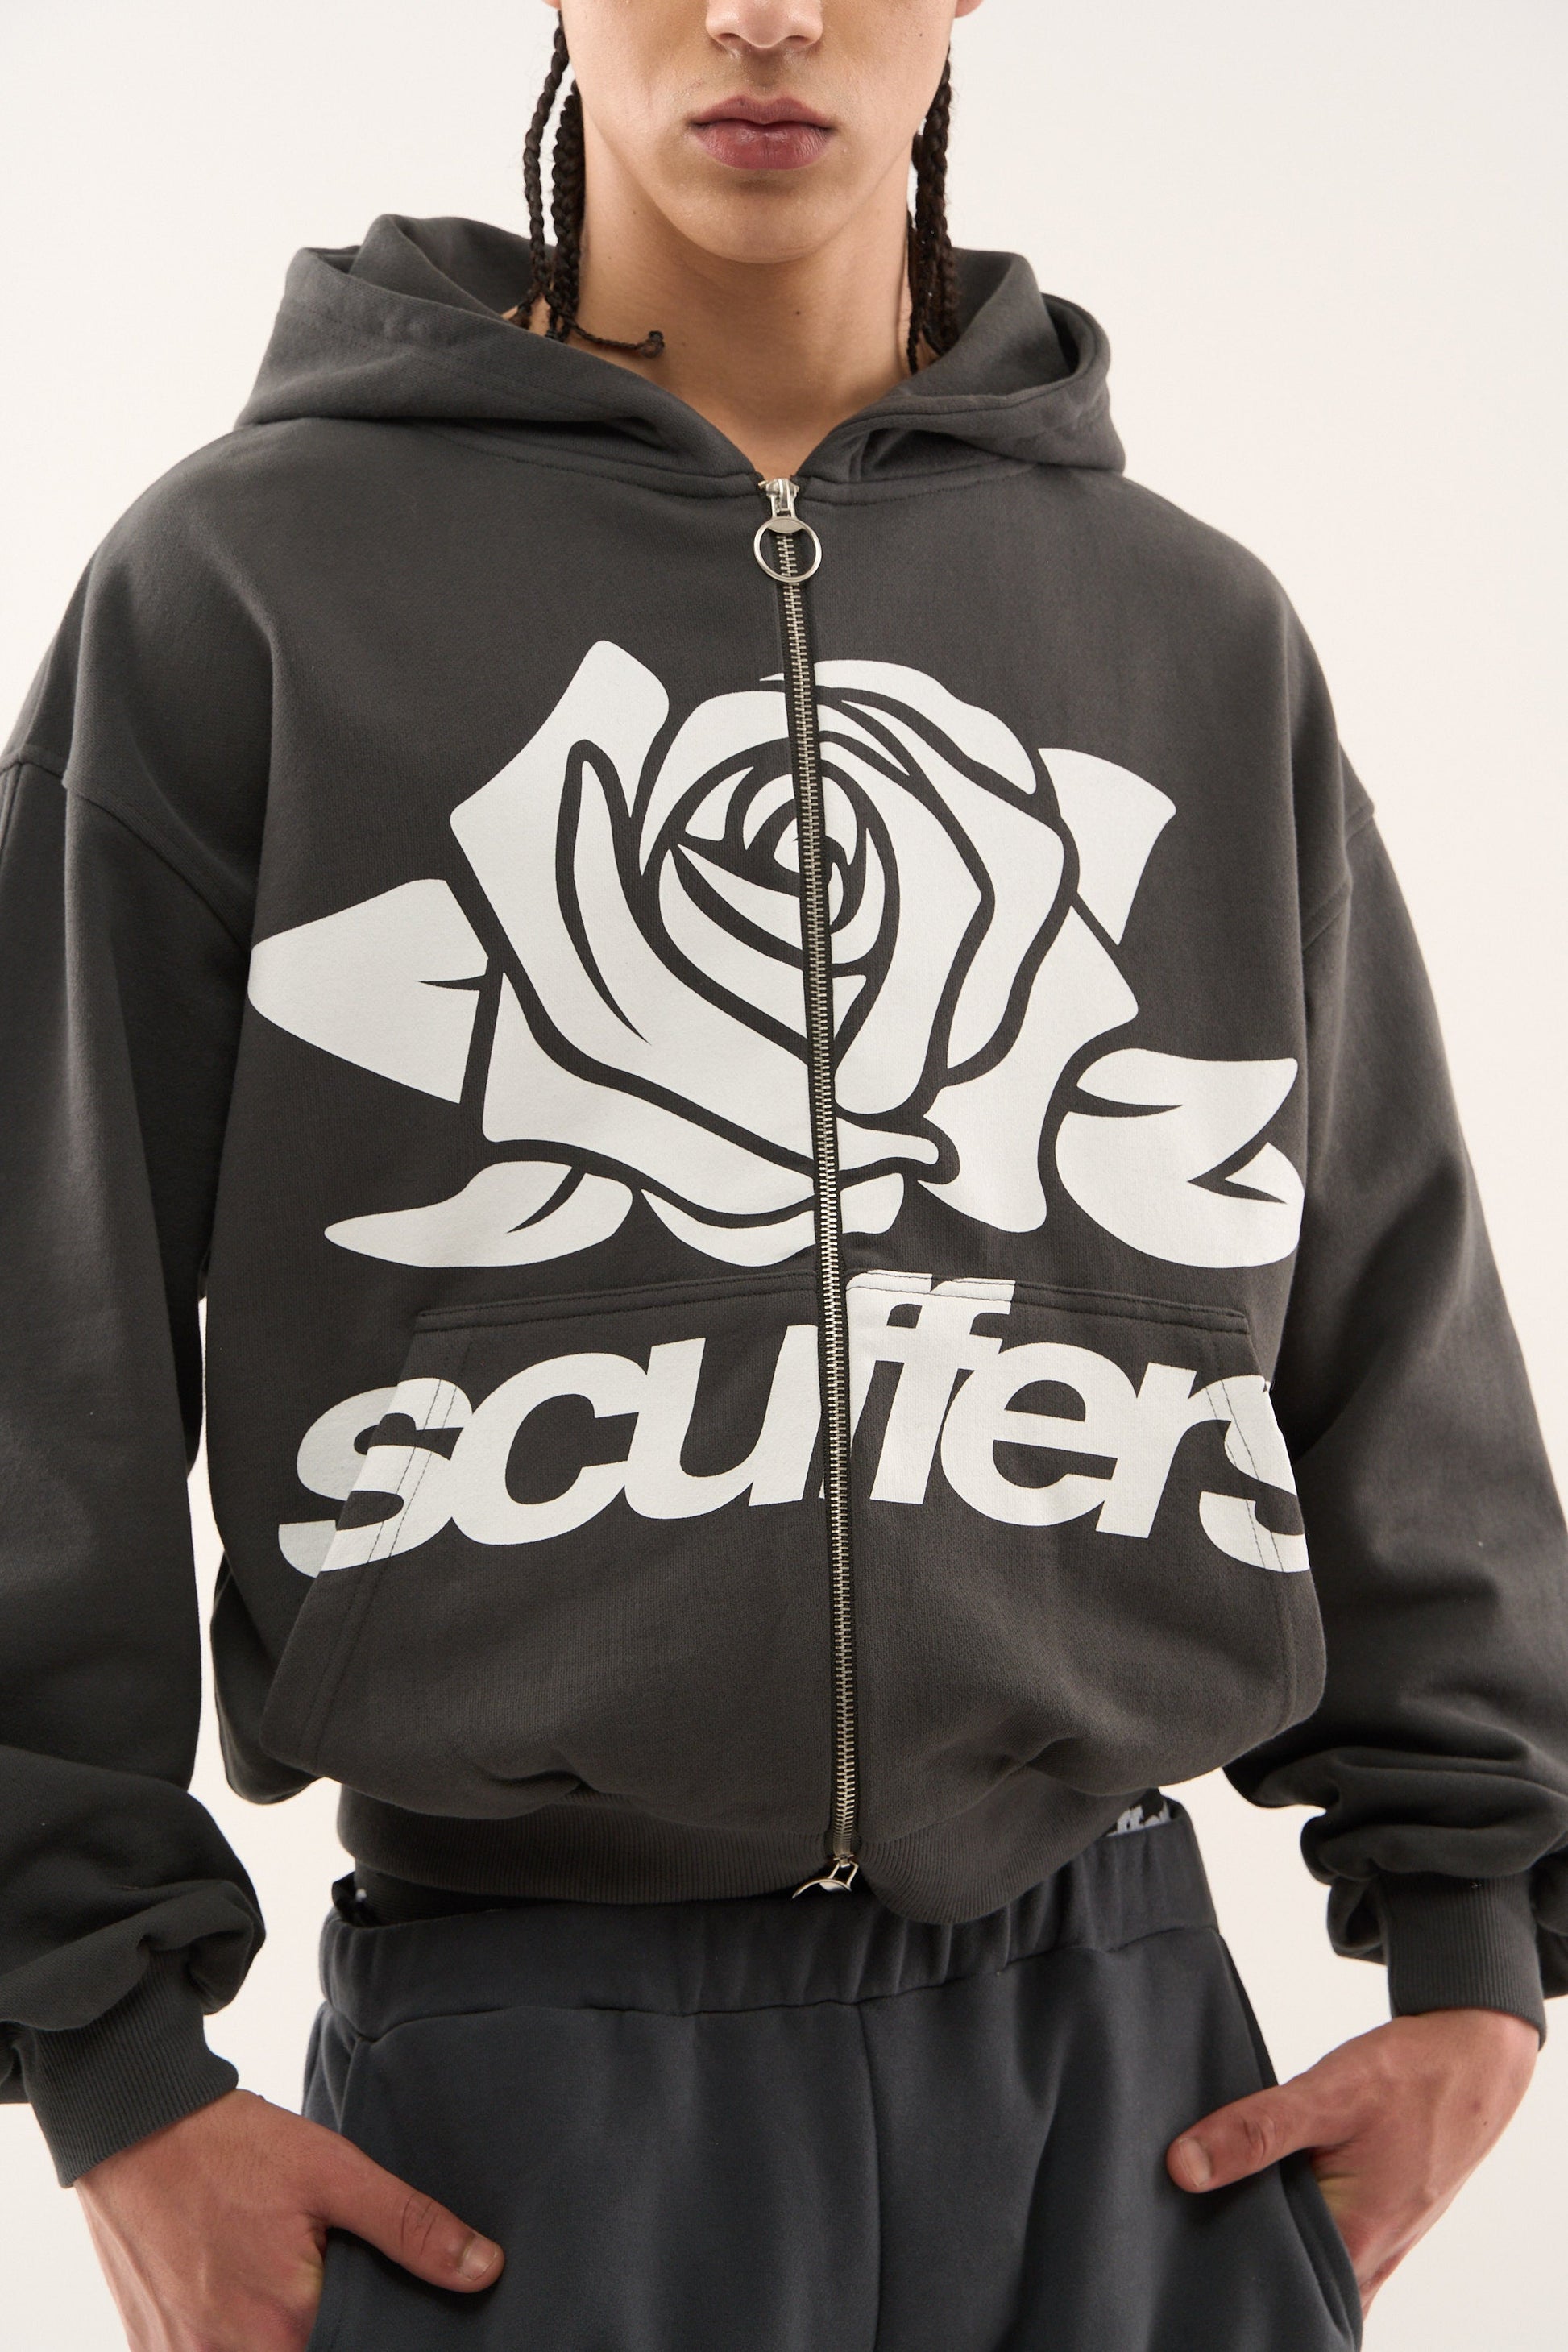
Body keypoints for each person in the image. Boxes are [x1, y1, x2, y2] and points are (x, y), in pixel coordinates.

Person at [2, 1, 1563, 2344]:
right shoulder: (245, 586)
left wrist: (1476, 1950)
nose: (766, 14)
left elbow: (1387, 1287)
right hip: (519, 2090)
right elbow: (51, 1334)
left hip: (1123, 2065)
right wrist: (113, 2070)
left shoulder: (1187, 624)